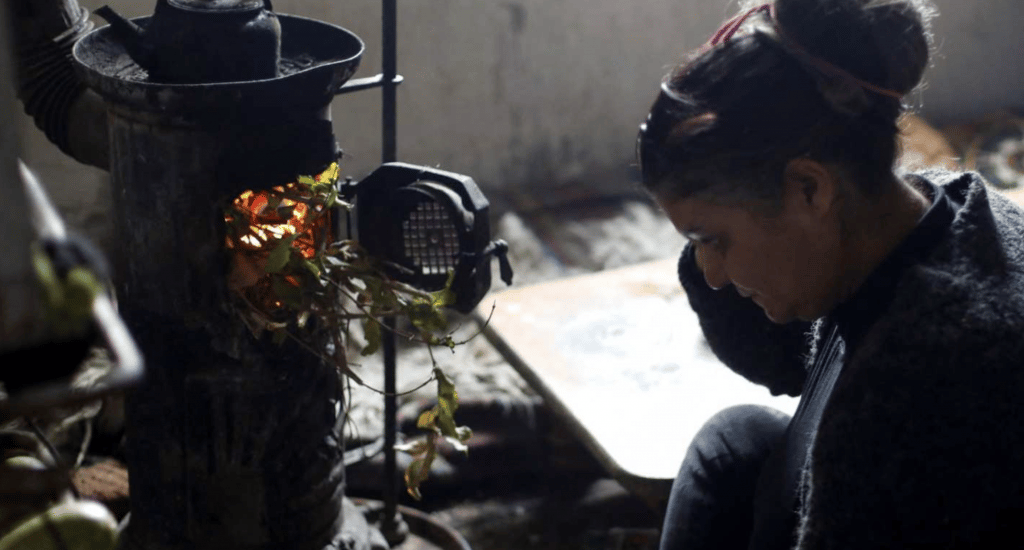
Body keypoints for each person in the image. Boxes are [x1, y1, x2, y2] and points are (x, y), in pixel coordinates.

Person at [636, 0, 1024, 548]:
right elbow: (786, 358)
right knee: (737, 437)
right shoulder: (927, 213)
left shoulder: (917, 388)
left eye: (713, 240)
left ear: (810, 189)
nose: (712, 275)